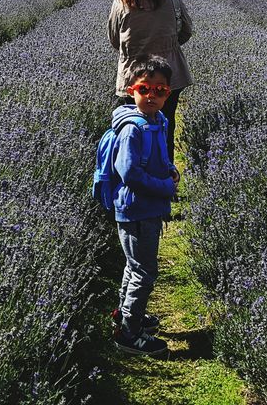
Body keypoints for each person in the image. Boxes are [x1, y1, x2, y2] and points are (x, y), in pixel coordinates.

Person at [107, 56, 179, 357]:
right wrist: (165, 187)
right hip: (136, 209)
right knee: (144, 272)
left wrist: (169, 170)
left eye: (160, 90)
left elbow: (158, 158)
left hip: (146, 208)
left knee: (135, 266)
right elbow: (130, 173)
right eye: (145, 88)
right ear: (131, 89)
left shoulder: (157, 121)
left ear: (168, 93)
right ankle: (129, 333)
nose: (152, 95)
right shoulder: (133, 129)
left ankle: (126, 314)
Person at [108, 0, 193, 164]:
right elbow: (186, 30)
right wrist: (168, 47)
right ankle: (165, 177)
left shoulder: (121, 2)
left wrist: (135, 51)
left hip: (134, 77)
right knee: (166, 124)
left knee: (135, 125)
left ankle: (137, 174)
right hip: (169, 74)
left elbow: (113, 39)